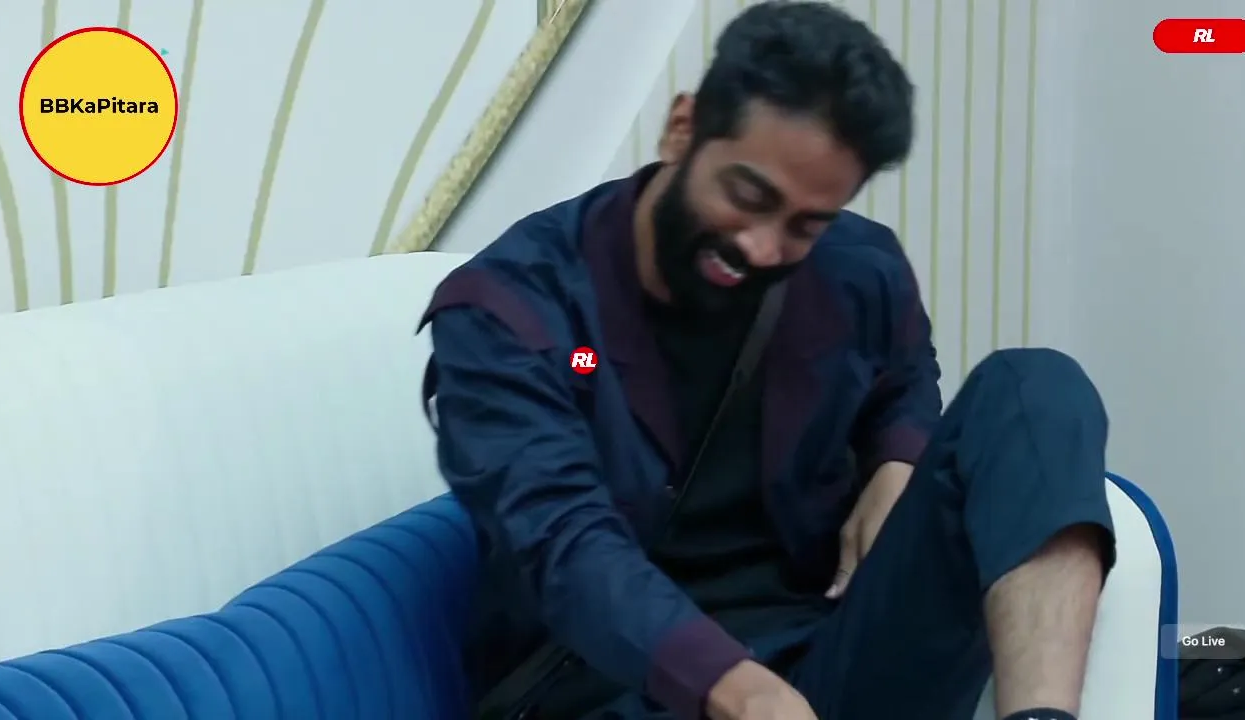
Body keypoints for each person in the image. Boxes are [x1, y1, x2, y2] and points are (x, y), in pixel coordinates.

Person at [419, 2, 1115, 719]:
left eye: (805, 225)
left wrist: (898, 460)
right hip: (605, 685)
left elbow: (902, 373)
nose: (761, 247)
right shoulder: (507, 311)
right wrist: (741, 690)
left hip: (818, 656)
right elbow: (562, 543)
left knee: (1037, 388)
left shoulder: (855, 269)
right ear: (683, 128)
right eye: (747, 196)